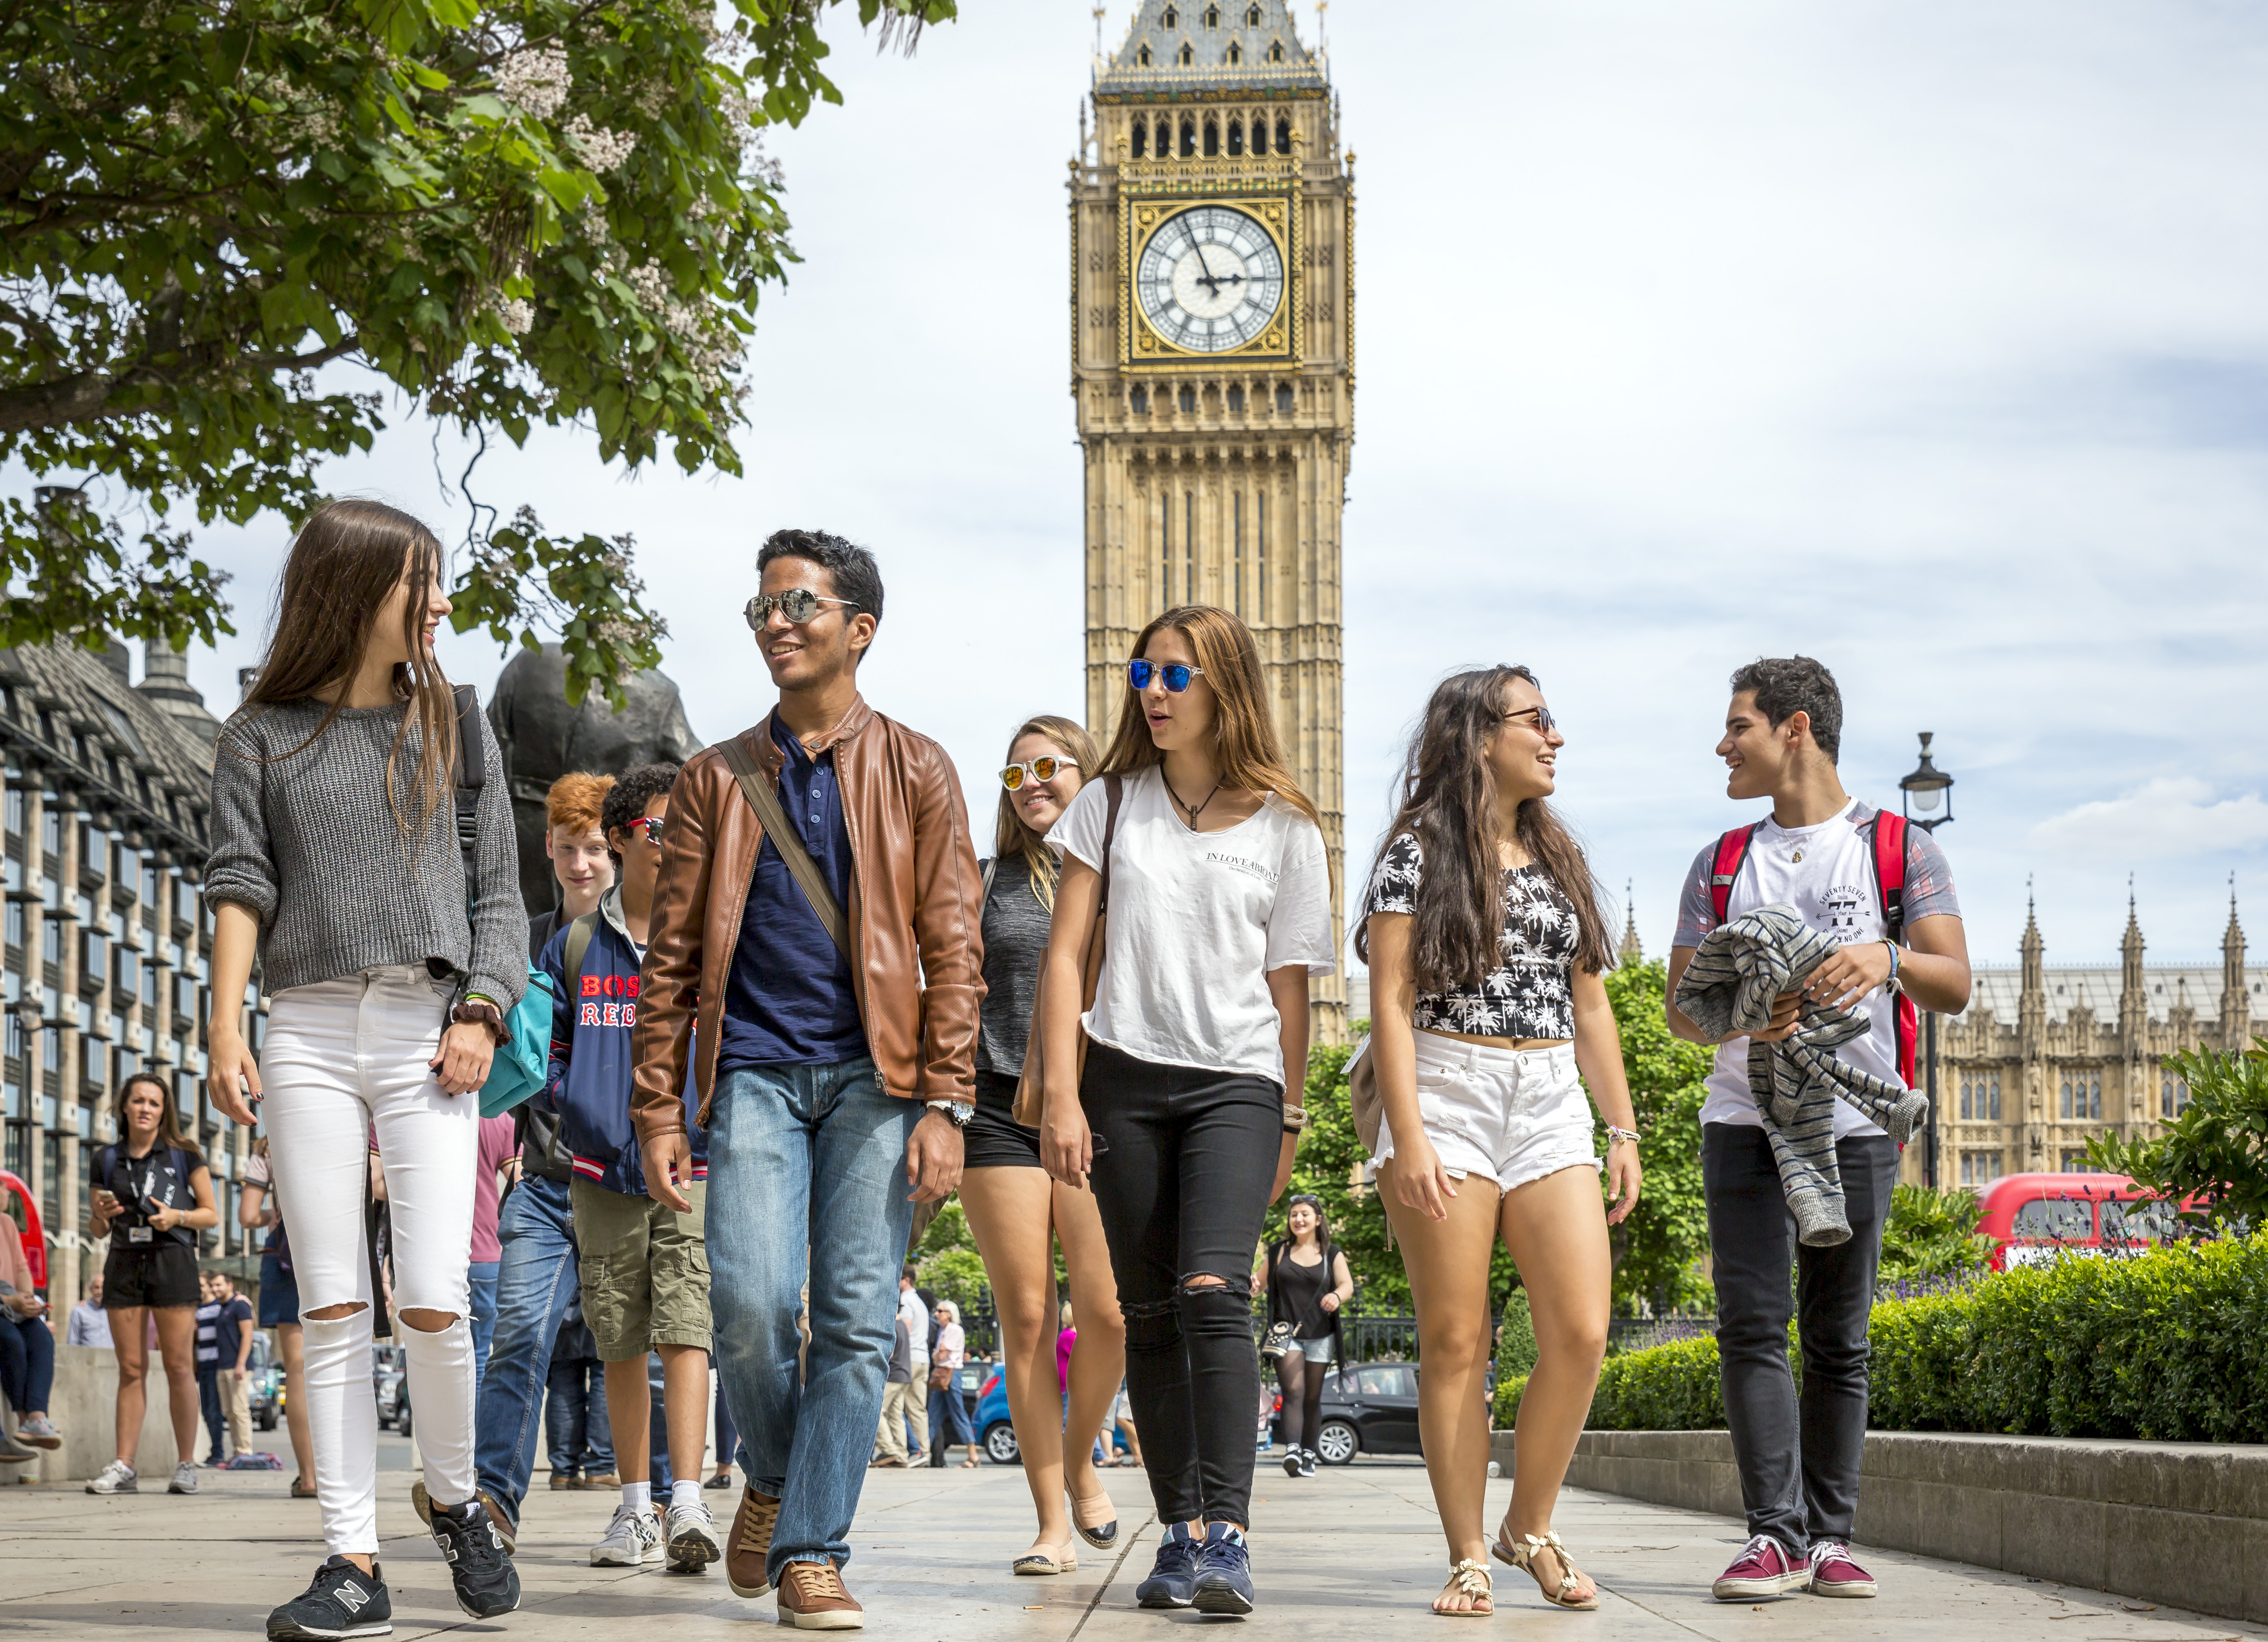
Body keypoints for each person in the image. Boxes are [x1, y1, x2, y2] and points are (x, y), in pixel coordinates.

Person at [633, 528, 982, 1629]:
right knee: (742, 1302)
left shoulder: (918, 766)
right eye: (762, 608)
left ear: (856, 628)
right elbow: (673, 953)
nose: (775, 622)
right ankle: (778, 1474)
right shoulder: (714, 777)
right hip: (753, 1077)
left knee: (851, 1319)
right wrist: (655, 1103)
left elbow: (953, 942)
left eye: (798, 603)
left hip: (880, 1078)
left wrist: (946, 1099)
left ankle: (812, 1548)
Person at [204, 497, 526, 1637]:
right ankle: (351, 1555)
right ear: (358, 591)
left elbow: (499, 893)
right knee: (333, 1300)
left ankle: (451, 1491)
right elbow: (241, 879)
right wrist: (223, 1023)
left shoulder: (456, 722)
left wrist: (484, 1008)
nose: (440, 604)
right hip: (303, 1029)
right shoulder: (258, 734)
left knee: (434, 1297)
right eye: (421, 584)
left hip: (429, 1031)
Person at [1037, 604, 1335, 1618]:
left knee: (1213, 1291)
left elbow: (1290, 989)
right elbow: (1065, 954)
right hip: (1122, 1074)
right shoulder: (1109, 804)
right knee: (1146, 1312)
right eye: (1141, 673)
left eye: (1175, 675)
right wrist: (1061, 1094)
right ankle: (1175, 1533)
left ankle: (1227, 1534)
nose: (1152, 692)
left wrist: (1290, 1119)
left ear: (1225, 686)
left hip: (1236, 1085)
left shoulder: (1288, 826)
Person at [1666, 657, 1969, 1603]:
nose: (1721, 744)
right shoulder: (1718, 862)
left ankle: (1829, 1536)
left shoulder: (1894, 849)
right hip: (1742, 1114)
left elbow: (1952, 980)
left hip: (1853, 1117)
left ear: (1792, 729)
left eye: (1737, 727)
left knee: (1838, 1339)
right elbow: (1681, 1007)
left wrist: (1883, 957)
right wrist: (1737, 1013)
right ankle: (1772, 1535)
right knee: (1751, 1328)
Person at [1358, 664, 1643, 1615]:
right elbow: (1391, 1005)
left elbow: (1590, 1002)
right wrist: (1407, 1136)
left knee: (1579, 1327)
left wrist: (1621, 1126)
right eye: (1537, 720)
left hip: (1548, 1087)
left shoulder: (1555, 855)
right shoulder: (1414, 852)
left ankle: (1529, 1523)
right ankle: (1468, 1550)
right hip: (1446, 1085)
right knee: (1453, 1336)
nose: (1554, 736)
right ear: (1481, 736)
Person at [958, 713, 1127, 1569]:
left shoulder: (1122, 877)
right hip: (997, 1107)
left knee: (1107, 1309)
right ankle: (1052, 1520)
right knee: (1026, 1317)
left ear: (1088, 776)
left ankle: (1080, 1450)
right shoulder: (983, 882)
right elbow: (949, 998)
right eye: (1014, 772)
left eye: (1049, 765)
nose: (1029, 781)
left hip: (1099, 1109)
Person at [550, 763, 721, 1573]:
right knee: (618, 1334)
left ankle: (687, 1500)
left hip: (694, 1169)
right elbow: (549, 1054)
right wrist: (584, 1106)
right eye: (661, 829)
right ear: (622, 840)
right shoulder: (578, 945)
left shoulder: (710, 941)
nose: (678, 842)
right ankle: (634, 1510)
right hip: (601, 1172)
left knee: (687, 1327)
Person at [86, 1069, 217, 1497]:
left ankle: (185, 1465)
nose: (145, 1108)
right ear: (124, 1105)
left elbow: (211, 1213)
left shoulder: (184, 1155)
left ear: (165, 1111)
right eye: (138, 1100)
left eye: (154, 1103)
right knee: (130, 1368)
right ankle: (125, 1464)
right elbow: (97, 1229)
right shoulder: (106, 1159)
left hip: (173, 1260)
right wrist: (102, 1215)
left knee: (180, 1366)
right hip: (124, 1263)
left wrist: (175, 1217)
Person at [1254, 1195, 1352, 1481]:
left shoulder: (1331, 1253)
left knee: (1312, 1397)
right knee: (1294, 1391)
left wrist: (1336, 1296)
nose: (1298, 1219)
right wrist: (1250, 1285)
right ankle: (1293, 1452)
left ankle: (1309, 1453)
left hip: (1321, 1334)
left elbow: (1347, 1285)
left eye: (1305, 1214)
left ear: (1318, 1220)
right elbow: (1258, 1284)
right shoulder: (1278, 1253)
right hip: (1287, 1335)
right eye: (1294, 1214)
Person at [240, 1139, 317, 1498]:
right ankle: (343, 1475)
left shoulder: (268, 1150)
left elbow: (247, 1215)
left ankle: (309, 1477)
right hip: (337, 1247)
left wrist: (275, 1213)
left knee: (298, 1367)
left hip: (287, 1254)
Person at [527, 772, 616, 961]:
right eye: (567, 848)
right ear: (550, 845)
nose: (579, 866)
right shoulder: (523, 943)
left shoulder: (647, 942)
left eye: (595, 849)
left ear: (618, 847)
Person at [0, 1210, 61, 1449]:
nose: (6, 1191)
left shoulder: (6, 1223)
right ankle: (24, 1419)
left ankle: (37, 1417)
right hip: (4, 1303)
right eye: (3, 1186)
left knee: (42, 1337)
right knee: (11, 1340)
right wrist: (8, 1301)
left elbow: (22, 1268)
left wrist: (27, 1301)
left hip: (12, 1304)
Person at [468, 1113, 517, 1391]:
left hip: (439, 1255)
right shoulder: (496, 1117)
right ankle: (474, 1436)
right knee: (478, 1358)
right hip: (485, 1254)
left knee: (436, 1356)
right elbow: (521, 1180)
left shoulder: (426, 1106)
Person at [545, 1299, 616, 1489]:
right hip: (602, 1296)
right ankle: (600, 1468)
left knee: (563, 1379)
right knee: (606, 1375)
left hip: (564, 1301)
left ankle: (563, 1472)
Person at [213, 1272, 257, 1461]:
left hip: (238, 1366)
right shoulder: (223, 1307)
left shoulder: (240, 1305)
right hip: (222, 1365)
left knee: (240, 1410)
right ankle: (237, 1452)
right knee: (229, 1412)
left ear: (230, 1285)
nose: (215, 1289)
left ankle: (245, 1452)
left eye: (219, 1285)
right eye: (213, 1286)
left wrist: (240, 1364)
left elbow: (248, 1335)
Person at [931, 1300, 979, 1467]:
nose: (937, 1314)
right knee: (932, 1416)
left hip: (951, 1375)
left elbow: (940, 1357)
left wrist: (938, 1354)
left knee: (958, 1414)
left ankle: (973, 1456)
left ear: (950, 1313)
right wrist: (938, 1354)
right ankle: (921, 1452)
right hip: (941, 1376)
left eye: (940, 1311)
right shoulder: (943, 1331)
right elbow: (937, 1356)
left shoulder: (954, 1330)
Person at [871, 1308, 915, 1468]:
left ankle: (889, 1450)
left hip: (894, 1374)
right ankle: (902, 1456)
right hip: (904, 1375)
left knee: (877, 1411)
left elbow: (888, 1354)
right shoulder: (902, 1325)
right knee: (896, 1416)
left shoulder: (892, 1325)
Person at [194, 1271, 227, 1463]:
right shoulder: (196, 1310)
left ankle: (218, 1453)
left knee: (215, 1412)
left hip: (215, 1366)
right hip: (201, 1366)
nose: (200, 1290)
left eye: (202, 1286)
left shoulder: (219, 1308)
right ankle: (215, 1451)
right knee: (207, 1412)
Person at [66, 1274, 113, 1349]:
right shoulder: (79, 1311)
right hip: (88, 1360)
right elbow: (73, 1342)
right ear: (91, 1289)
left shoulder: (113, 1311)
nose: (100, 1292)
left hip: (111, 1359)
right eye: (97, 1288)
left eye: (103, 1288)